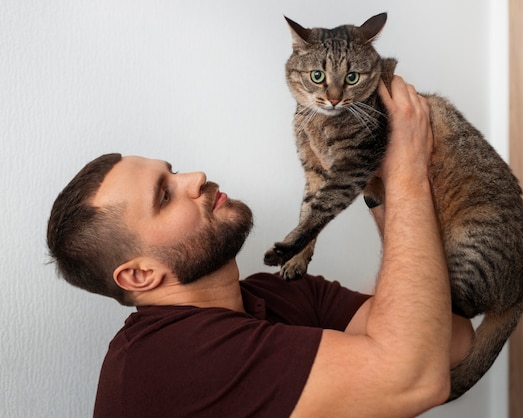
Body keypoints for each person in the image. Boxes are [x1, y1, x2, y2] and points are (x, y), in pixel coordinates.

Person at [47, 76, 474, 417]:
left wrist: (379, 185)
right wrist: (407, 172)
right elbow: (419, 377)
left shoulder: (279, 293)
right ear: (140, 275)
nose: (194, 177)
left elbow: (450, 344)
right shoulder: (166, 361)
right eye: (164, 195)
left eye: (172, 172)